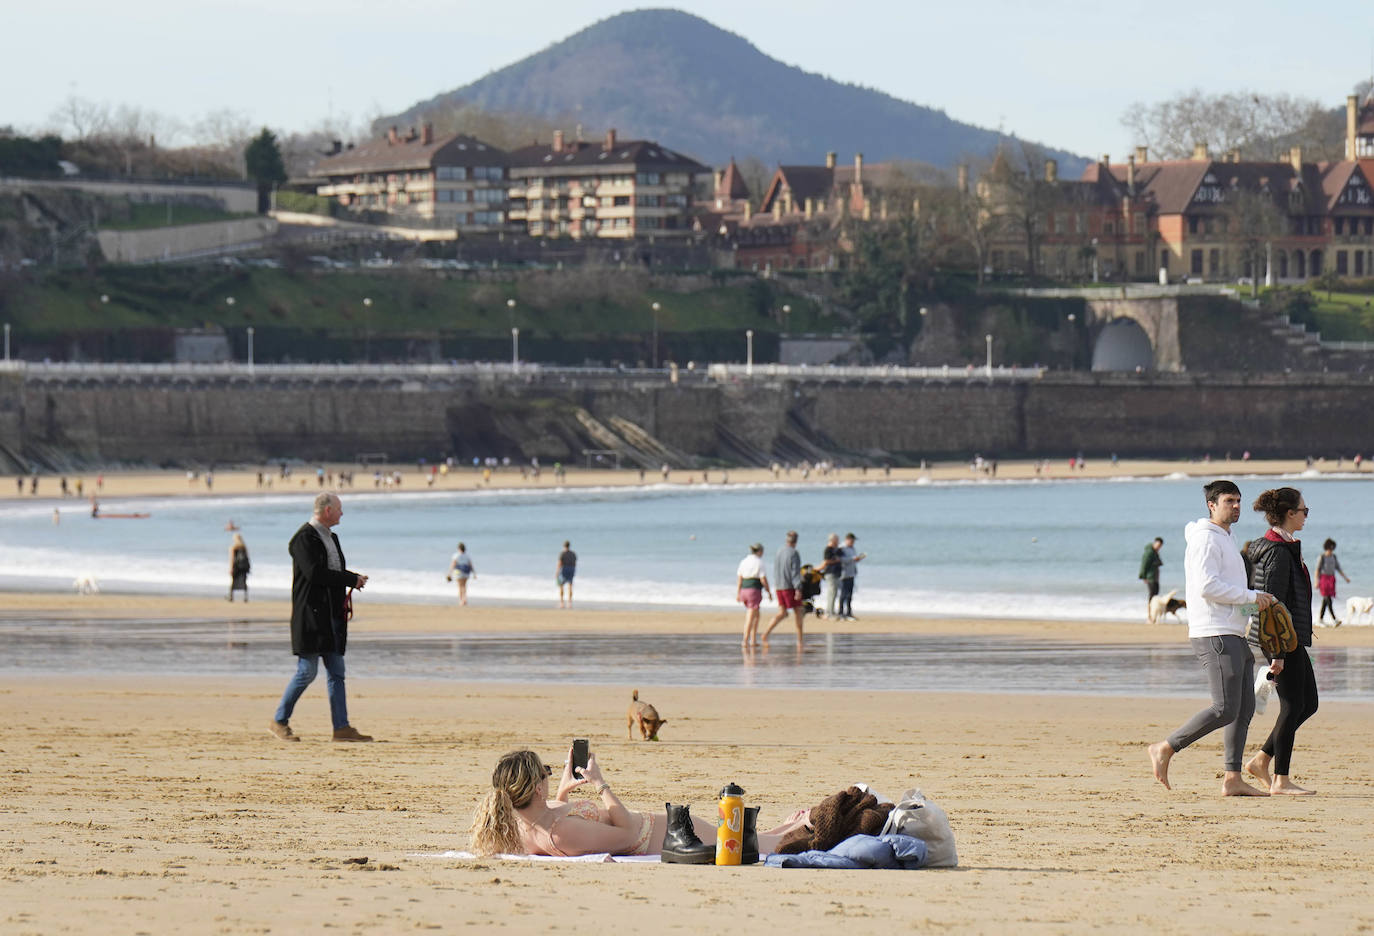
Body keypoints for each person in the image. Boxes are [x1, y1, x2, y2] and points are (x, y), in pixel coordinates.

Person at [1149, 480, 1275, 796]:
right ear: (1211, 505)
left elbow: (1227, 588)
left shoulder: (1226, 537)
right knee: (1224, 708)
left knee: (1243, 710)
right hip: (1214, 632)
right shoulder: (1205, 539)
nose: (1236, 506)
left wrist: (1254, 604)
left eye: (1238, 500)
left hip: (1233, 631)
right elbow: (1206, 586)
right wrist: (1252, 596)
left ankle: (1233, 779)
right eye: (1229, 500)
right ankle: (1165, 747)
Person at [469, 748, 810, 858]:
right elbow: (627, 833)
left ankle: (784, 827)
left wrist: (562, 792)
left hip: (660, 830)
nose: (548, 774)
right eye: (545, 772)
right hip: (661, 835)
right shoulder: (558, 833)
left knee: (755, 836)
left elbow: (564, 821)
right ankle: (804, 827)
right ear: (535, 789)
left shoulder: (528, 821)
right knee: (760, 845)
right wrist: (600, 784)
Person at [270, 492, 372, 743]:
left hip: (332, 616)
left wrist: (353, 578)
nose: (341, 513)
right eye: (339, 509)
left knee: (337, 672)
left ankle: (341, 728)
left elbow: (333, 572)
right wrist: (350, 579)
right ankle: (279, 721)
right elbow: (315, 573)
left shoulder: (331, 537)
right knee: (307, 672)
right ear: (327, 510)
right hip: (311, 617)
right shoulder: (303, 538)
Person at [1244, 487, 1319, 795]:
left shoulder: (1283, 546)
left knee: (1308, 704)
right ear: (1289, 513)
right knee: (1292, 705)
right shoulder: (1277, 551)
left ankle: (1261, 760)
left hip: (1290, 636)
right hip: (1280, 639)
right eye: (1304, 511)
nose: (1306, 516)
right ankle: (1280, 779)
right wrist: (1277, 653)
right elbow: (1271, 604)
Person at [763, 531, 804, 642]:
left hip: (779, 586)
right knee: (798, 611)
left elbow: (776, 569)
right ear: (796, 541)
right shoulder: (794, 553)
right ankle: (800, 640)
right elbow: (795, 572)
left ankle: (766, 633)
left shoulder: (779, 551)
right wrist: (798, 588)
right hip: (789, 587)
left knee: (782, 613)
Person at [736, 542, 773, 646]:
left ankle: (753, 639)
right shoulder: (759, 562)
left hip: (744, 589)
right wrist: (769, 591)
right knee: (750, 615)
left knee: (756, 615)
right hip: (753, 590)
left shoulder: (744, 561)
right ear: (759, 551)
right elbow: (763, 579)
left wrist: (738, 592)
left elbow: (740, 578)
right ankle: (745, 640)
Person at [1315, 538, 1350, 625]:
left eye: (1332, 548)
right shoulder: (1322, 557)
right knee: (1327, 598)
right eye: (1329, 548)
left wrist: (1346, 578)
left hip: (1331, 580)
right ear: (1326, 548)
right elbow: (1317, 570)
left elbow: (1338, 568)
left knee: (1326, 600)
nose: (1331, 550)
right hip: (1323, 579)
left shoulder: (1334, 557)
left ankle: (1320, 619)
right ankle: (1334, 619)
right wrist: (1316, 581)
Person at [837, 533, 867, 620]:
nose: (853, 542)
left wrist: (857, 559)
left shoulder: (852, 548)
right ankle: (841, 612)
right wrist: (852, 559)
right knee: (843, 594)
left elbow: (853, 560)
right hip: (844, 574)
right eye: (852, 541)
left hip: (851, 573)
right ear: (847, 540)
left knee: (849, 594)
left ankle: (849, 612)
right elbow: (840, 560)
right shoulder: (841, 548)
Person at [819, 533, 843, 619]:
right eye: (837, 539)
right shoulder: (828, 549)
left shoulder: (837, 550)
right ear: (833, 540)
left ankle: (830, 610)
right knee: (832, 592)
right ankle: (829, 612)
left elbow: (842, 556)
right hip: (830, 573)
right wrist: (836, 561)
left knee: (834, 592)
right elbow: (826, 561)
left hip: (837, 573)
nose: (838, 541)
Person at [1139, 537, 1164, 612]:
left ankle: (1153, 612)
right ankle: (1150, 613)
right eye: (1158, 545)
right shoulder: (1149, 552)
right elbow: (1144, 564)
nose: (1159, 547)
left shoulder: (1155, 552)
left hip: (1155, 577)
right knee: (1152, 595)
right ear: (1155, 543)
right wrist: (1143, 576)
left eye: (1160, 546)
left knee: (1155, 595)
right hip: (1150, 577)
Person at [447, 542, 476, 606]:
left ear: (459, 548)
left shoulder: (456, 555)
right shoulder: (467, 556)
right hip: (466, 572)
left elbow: (453, 564)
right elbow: (470, 565)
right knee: (464, 586)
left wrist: (449, 573)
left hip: (458, 572)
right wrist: (474, 573)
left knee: (460, 586)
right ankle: (464, 599)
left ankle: (461, 600)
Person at [228, 533, 251, 602]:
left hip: (236, 567)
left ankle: (231, 597)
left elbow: (232, 559)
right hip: (244, 567)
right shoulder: (244, 547)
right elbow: (248, 558)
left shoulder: (233, 547)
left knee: (233, 582)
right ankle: (245, 597)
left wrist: (231, 568)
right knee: (244, 582)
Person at [556, 540, 577, 608]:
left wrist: (557, 572)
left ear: (564, 546)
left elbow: (560, 563)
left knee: (561, 585)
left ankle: (562, 603)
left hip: (564, 569)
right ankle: (569, 603)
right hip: (571, 569)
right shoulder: (573, 554)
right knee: (570, 586)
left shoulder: (562, 553)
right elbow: (575, 563)